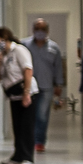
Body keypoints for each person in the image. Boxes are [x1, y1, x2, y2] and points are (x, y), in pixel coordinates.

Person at [0, 27, 38, 164]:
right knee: (17, 127)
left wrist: (26, 93)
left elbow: (28, 70)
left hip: (26, 93)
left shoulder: (19, 50)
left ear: (5, 38)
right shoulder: (3, 55)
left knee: (26, 126)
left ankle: (27, 158)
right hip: (14, 95)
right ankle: (18, 156)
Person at [21, 18, 65, 152]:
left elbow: (58, 67)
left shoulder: (54, 48)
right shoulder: (24, 45)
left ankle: (39, 141)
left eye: (43, 29)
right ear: (33, 30)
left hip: (46, 86)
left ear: (47, 31)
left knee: (42, 115)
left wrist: (59, 85)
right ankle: (29, 140)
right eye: (37, 29)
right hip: (29, 86)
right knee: (29, 115)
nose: (40, 32)